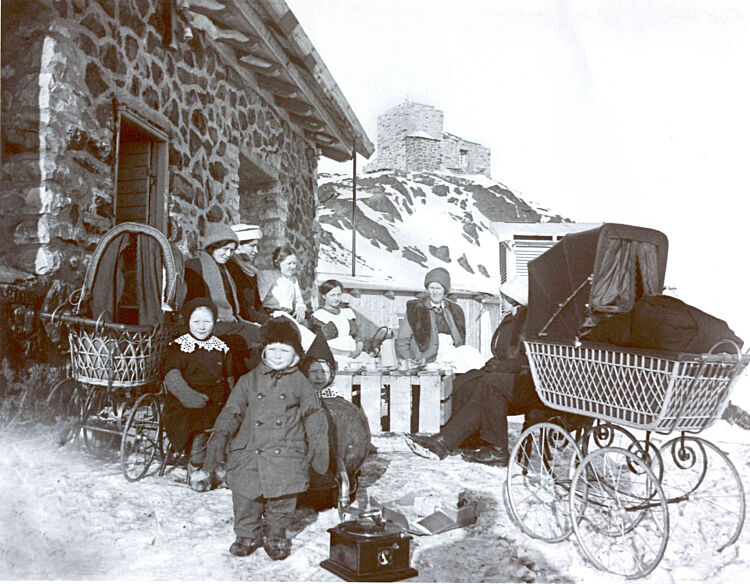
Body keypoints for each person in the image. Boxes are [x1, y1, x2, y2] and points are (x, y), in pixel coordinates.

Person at [202, 317, 329, 560]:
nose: (278, 356)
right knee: (246, 497)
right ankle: (246, 534)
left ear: (295, 354)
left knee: (282, 500)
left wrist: (318, 442)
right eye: (273, 350)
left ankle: (276, 534)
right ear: (264, 350)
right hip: (250, 450)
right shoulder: (249, 380)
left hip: (286, 450)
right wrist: (220, 436)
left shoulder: (300, 383)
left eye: (285, 350)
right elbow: (233, 411)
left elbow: (313, 413)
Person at [404, 276, 551, 467]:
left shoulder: (529, 322)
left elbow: (529, 358)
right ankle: (463, 439)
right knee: (467, 381)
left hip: (525, 382)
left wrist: (500, 366)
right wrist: (493, 365)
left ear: (514, 299)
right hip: (507, 375)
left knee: (489, 384)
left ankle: (495, 450)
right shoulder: (510, 319)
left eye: (504, 298)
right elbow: (502, 352)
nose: (501, 301)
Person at [162, 298, 232, 491]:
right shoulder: (179, 346)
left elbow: (229, 377)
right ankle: (197, 466)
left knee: (226, 424)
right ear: (189, 322)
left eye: (207, 322)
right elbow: (172, 376)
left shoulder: (221, 347)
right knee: (201, 425)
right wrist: (190, 396)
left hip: (216, 399)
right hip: (185, 401)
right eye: (197, 322)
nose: (202, 327)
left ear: (214, 322)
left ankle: (219, 465)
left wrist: (231, 401)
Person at [184, 223, 262, 374]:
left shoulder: (225, 269)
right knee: (244, 341)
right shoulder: (195, 266)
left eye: (231, 250)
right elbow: (192, 302)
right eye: (224, 249)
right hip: (209, 323)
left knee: (262, 335)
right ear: (213, 245)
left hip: (229, 320)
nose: (228, 254)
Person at [395, 267, 484, 374]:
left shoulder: (454, 310)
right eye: (432, 288)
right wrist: (409, 362)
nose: (435, 292)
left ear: (445, 290)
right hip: (427, 361)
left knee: (472, 355)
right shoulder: (416, 309)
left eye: (438, 288)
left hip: (450, 358)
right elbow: (402, 340)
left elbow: (460, 340)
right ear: (427, 289)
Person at [310, 279, 363, 368]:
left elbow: (358, 337)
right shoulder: (319, 316)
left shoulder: (347, 312)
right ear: (323, 296)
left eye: (338, 295)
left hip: (355, 354)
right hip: (333, 356)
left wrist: (357, 351)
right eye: (332, 295)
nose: (336, 298)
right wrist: (344, 353)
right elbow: (319, 344)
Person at [226, 223, 268, 325]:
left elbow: (257, 303)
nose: (256, 251)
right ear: (238, 247)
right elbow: (243, 308)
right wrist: (266, 321)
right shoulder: (232, 268)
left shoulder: (248, 268)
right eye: (252, 246)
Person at [258, 246, 307, 323]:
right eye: (289, 263)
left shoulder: (293, 280)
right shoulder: (268, 275)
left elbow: (298, 301)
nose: (293, 266)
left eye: (294, 263)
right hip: (271, 315)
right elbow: (259, 298)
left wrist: (300, 308)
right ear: (277, 262)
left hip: (287, 316)